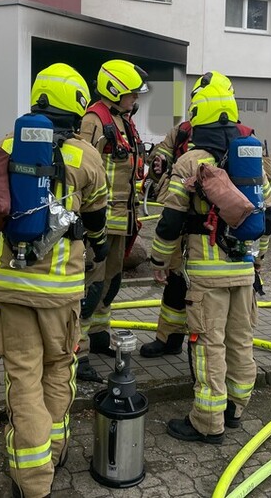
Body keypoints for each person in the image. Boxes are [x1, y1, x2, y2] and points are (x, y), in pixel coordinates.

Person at [0, 64, 108, 498]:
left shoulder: (6, 144)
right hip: (60, 293)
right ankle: (52, 453)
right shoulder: (86, 156)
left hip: (10, 284)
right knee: (59, 368)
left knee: (22, 377)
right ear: (75, 105)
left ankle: (31, 479)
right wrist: (96, 246)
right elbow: (95, 217)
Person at [150, 81, 258, 444]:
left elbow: (170, 221)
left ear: (200, 119)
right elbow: (267, 218)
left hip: (207, 274)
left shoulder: (192, 161)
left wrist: (160, 260)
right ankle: (235, 410)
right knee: (240, 340)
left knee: (208, 345)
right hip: (244, 269)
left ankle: (207, 422)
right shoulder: (253, 160)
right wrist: (257, 262)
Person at [140, 71, 271, 358]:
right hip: (194, 221)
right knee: (177, 283)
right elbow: (162, 151)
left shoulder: (243, 137)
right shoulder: (187, 130)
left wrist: (157, 258)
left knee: (191, 290)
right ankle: (169, 337)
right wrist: (161, 160)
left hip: (201, 231)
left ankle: (194, 346)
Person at [77, 59, 148, 381]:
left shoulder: (121, 120)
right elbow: (82, 167)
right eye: (132, 94)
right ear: (115, 90)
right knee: (91, 284)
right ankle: (78, 352)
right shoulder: (94, 120)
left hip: (123, 215)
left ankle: (99, 336)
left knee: (112, 279)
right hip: (101, 216)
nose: (135, 100)